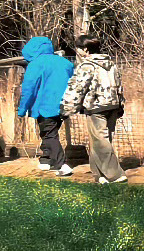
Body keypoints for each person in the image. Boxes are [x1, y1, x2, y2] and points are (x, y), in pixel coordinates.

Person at [60, 34, 128, 184]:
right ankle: (99, 174)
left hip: (96, 107)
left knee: (100, 141)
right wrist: (120, 104)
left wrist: (66, 108)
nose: (77, 50)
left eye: (78, 47)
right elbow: (119, 86)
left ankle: (115, 175)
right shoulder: (111, 64)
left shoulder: (86, 66)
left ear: (85, 49)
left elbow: (76, 89)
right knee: (102, 139)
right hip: (113, 106)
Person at [17, 36, 75, 176]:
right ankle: (47, 160)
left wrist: (22, 109)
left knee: (49, 134)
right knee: (51, 132)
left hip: (44, 105)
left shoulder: (36, 64)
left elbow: (28, 89)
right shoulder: (65, 63)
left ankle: (62, 165)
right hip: (64, 106)